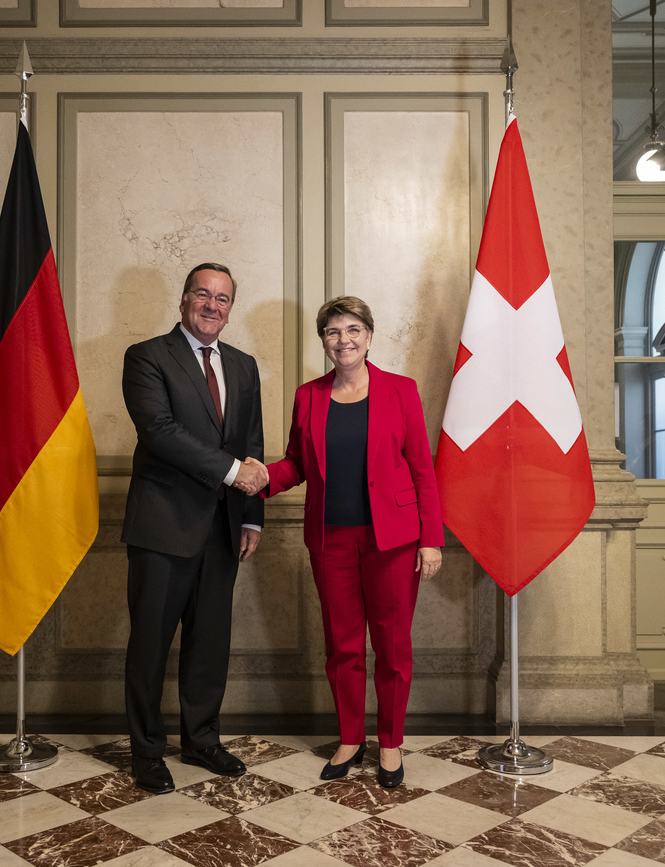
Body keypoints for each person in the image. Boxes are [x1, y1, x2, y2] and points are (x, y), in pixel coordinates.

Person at [246, 296, 443, 788]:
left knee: (393, 647)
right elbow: (297, 462)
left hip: (394, 541)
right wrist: (261, 476)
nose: (344, 340)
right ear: (324, 341)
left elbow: (422, 469)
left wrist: (431, 540)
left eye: (353, 329)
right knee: (343, 647)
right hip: (330, 540)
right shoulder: (308, 396)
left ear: (370, 337)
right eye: (333, 332)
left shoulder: (401, 391)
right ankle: (351, 738)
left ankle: (391, 744)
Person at [121, 263, 269, 794]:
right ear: (184, 300)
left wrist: (251, 512)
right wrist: (233, 473)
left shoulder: (244, 365)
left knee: (209, 643)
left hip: (225, 527)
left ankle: (202, 740)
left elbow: (250, 438)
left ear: (231, 308)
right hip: (162, 527)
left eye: (223, 299)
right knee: (150, 644)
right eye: (203, 295)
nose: (212, 306)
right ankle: (146, 751)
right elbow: (160, 432)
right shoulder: (146, 356)